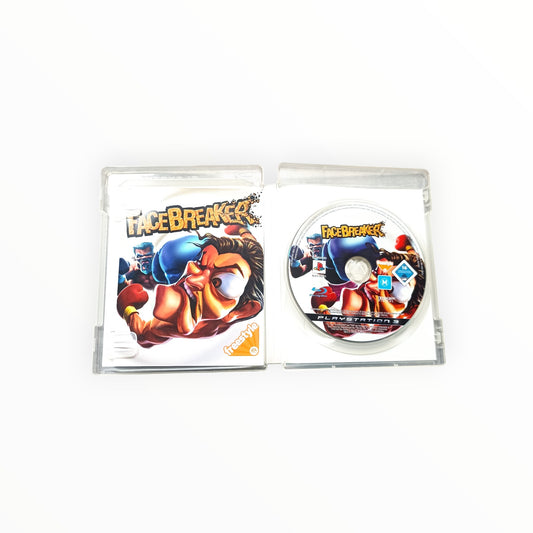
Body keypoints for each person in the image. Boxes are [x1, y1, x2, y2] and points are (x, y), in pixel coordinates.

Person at [116, 225, 263, 348]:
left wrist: (127, 309)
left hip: (172, 268)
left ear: (243, 310)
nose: (192, 278)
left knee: (169, 257)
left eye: (219, 283)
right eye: (199, 264)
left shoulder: (185, 322)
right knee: (173, 256)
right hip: (185, 257)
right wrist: (243, 231)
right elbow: (252, 246)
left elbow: (143, 335)